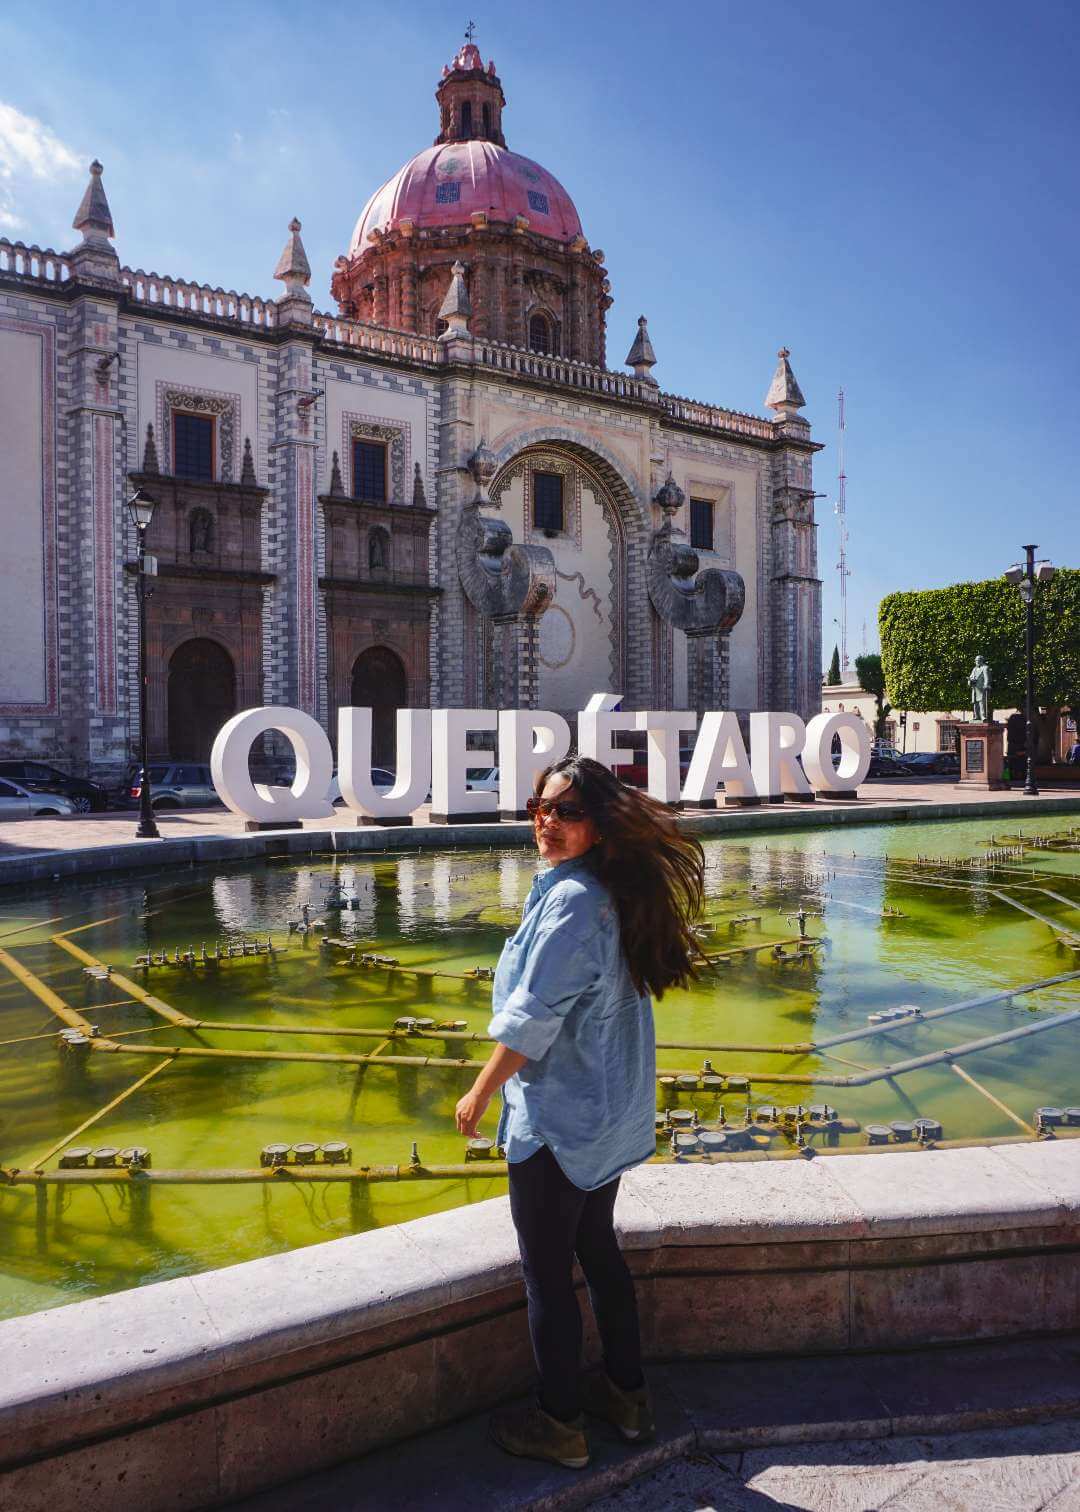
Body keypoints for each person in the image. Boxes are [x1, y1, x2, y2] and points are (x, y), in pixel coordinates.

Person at [454, 755, 705, 1470]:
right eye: (541, 807)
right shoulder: (607, 890)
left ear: (599, 826)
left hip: (559, 1125)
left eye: (567, 812)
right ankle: (627, 1397)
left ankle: (559, 1423)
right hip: (605, 1117)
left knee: (546, 1273)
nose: (548, 822)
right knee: (597, 1249)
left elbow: (532, 1020)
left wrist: (479, 1091)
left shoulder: (571, 903)